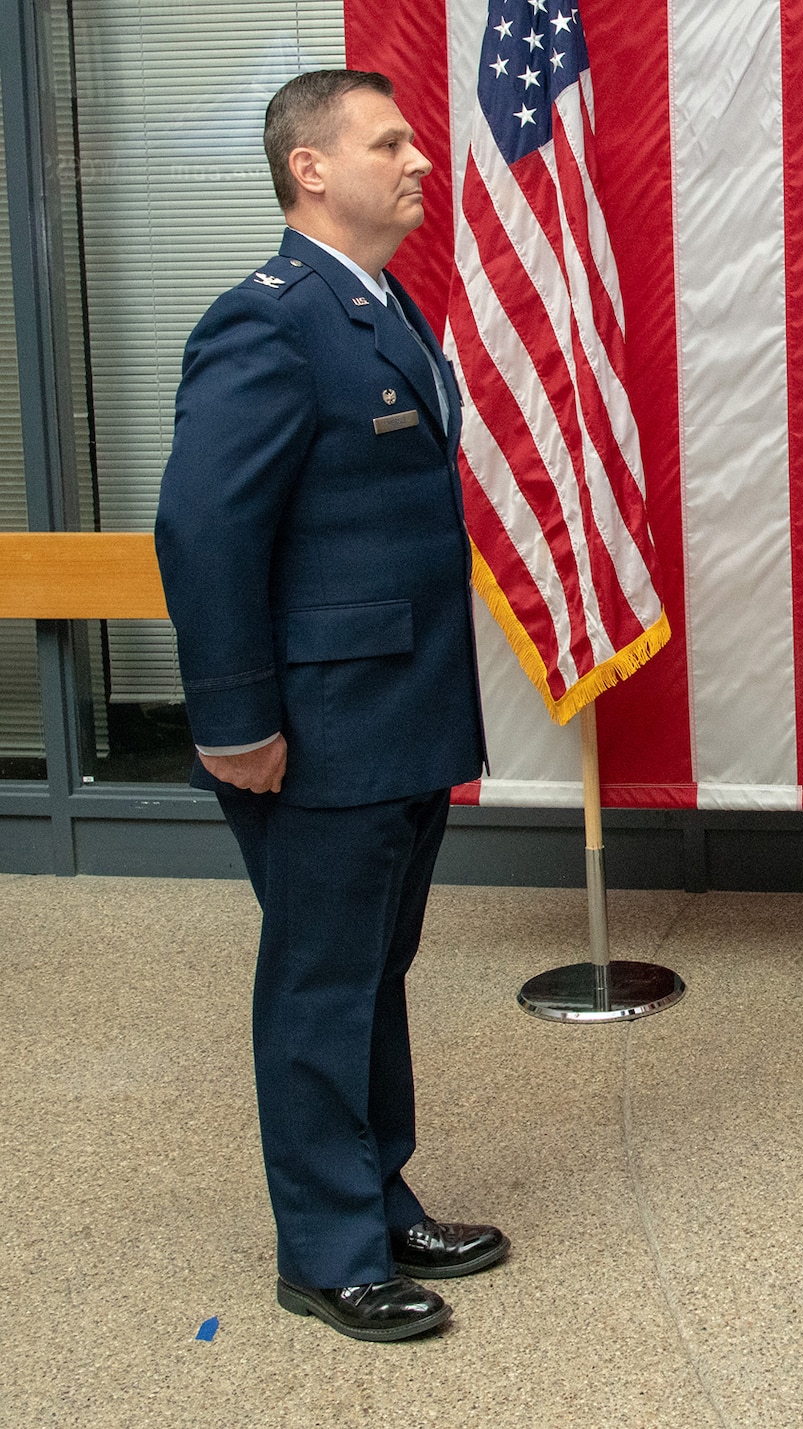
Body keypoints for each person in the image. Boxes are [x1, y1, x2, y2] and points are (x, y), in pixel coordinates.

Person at [154, 70, 504, 1343]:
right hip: (316, 730)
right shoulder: (266, 322)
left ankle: (377, 1190)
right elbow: (202, 529)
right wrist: (233, 719)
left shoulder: (383, 304)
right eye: (389, 141)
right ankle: (324, 1248)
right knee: (319, 983)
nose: (418, 160)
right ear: (310, 169)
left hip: (397, 714)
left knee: (374, 972)